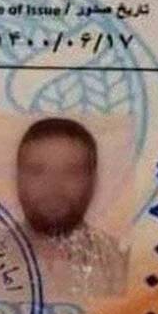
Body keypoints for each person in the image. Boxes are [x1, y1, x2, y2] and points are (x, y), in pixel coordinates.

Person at [15, 117, 128, 298]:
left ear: (93, 181)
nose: (53, 187)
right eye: (37, 171)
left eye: (71, 172)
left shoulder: (123, 266)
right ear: (18, 178)